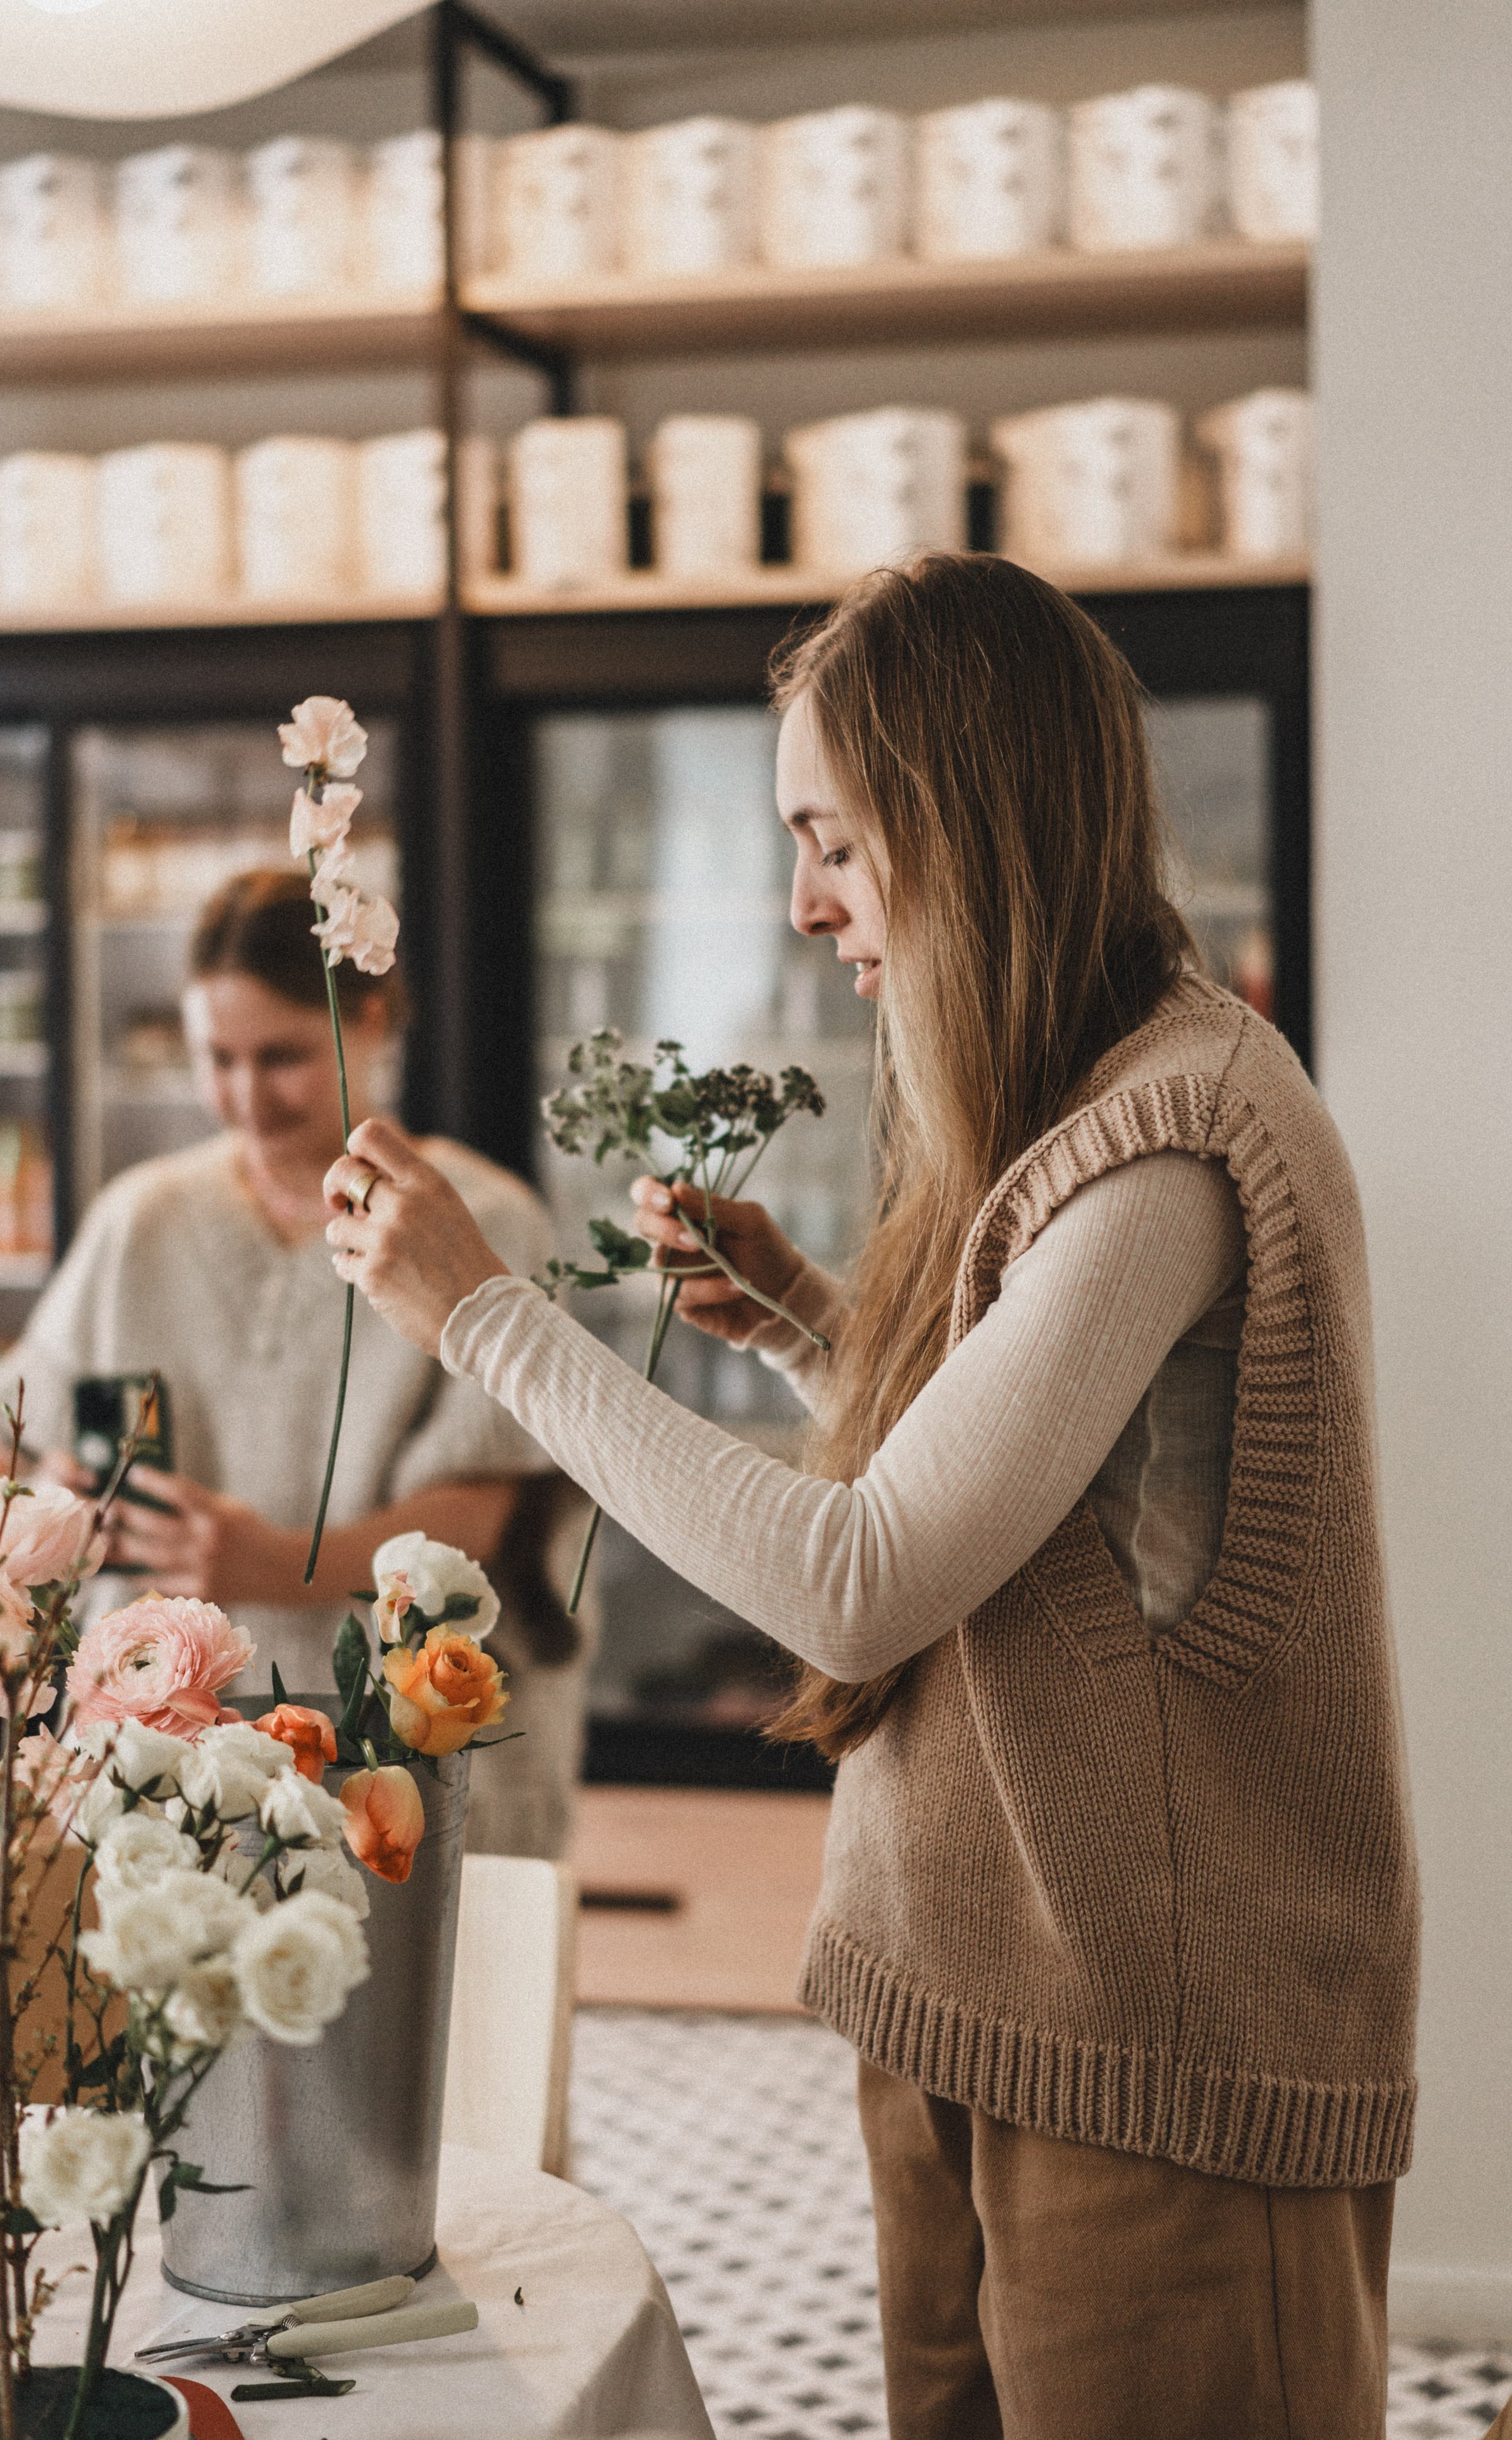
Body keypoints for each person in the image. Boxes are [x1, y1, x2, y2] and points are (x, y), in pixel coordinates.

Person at [316, 554, 1419, 2440]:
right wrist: (814, 1330)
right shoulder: (1091, 1097)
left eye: (834, 839)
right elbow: (1046, 1515)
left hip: (1144, 2059)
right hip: (975, 2001)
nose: (807, 901)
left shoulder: (1167, 1139)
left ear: (969, 819)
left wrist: (484, 1322)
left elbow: (860, 1582)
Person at [0, 867, 591, 1860]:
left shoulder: (479, 1216)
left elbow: (486, 1510)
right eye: (215, 1058)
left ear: (378, 1021)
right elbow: (29, 1450)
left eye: (284, 1057)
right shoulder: (140, 1220)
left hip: (400, 1748)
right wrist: (69, 1512)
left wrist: (279, 1566)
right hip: (174, 1739)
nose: (246, 1097)